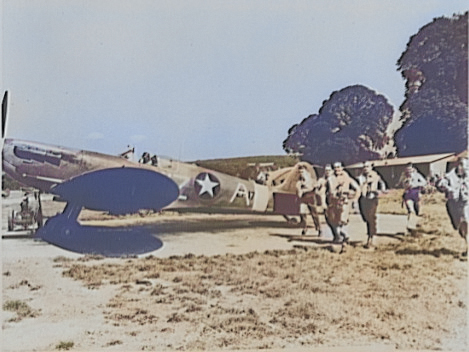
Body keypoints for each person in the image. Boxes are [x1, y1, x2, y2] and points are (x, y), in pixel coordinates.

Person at [437, 157, 469, 256]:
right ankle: (466, 242)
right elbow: (440, 184)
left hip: (465, 202)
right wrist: (446, 188)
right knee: (459, 227)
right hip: (453, 204)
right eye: (465, 166)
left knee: (466, 221)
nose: (467, 168)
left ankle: (468, 250)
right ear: (459, 166)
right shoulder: (449, 176)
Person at [325, 162, 360, 244]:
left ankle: (343, 236)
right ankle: (339, 236)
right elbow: (324, 190)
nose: (337, 169)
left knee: (342, 220)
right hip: (333, 202)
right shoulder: (330, 179)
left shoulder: (347, 178)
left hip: (344, 202)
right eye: (335, 167)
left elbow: (357, 188)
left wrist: (354, 198)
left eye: (338, 167)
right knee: (333, 220)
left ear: (342, 168)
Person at [357, 162, 387, 248]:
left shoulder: (375, 176)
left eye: (367, 166)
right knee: (365, 217)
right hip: (363, 198)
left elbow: (382, 183)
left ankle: (371, 237)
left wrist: (381, 190)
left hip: (372, 198)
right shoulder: (361, 177)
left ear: (371, 167)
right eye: (364, 167)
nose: (365, 168)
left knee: (371, 217)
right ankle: (370, 234)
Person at [397, 163, 427, 234]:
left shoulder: (417, 175)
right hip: (408, 195)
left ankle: (414, 228)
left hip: (416, 194)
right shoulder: (403, 176)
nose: (409, 171)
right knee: (411, 211)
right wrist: (404, 184)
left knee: (417, 212)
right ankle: (409, 226)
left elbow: (424, 182)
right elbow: (399, 184)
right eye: (407, 170)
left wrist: (415, 185)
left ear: (413, 169)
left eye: (410, 170)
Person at [296, 164, 321, 236]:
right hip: (303, 198)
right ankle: (304, 228)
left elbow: (313, 187)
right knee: (302, 213)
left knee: (314, 214)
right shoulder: (299, 182)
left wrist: (305, 189)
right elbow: (299, 192)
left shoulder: (311, 180)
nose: (301, 174)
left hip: (311, 197)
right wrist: (300, 190)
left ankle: (318, 228)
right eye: (300, 172)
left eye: (302, 172)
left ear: (306, 172)